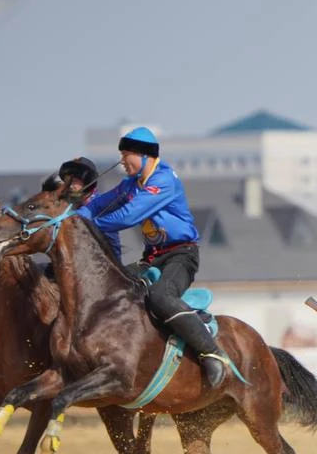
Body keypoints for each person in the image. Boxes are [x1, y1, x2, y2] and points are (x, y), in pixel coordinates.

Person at [77, 127, 230, 387]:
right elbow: (98, 204)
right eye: (122, 155)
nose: (122, 162)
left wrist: (90, 224)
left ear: (145, 155)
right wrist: (74, 215)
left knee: (161, 296)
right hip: (152, 257)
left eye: (127, 156)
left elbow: (128, 217)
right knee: (113, 290)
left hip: (181, 255)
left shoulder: (163, 180)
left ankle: (213, 353)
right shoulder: (129, 184)